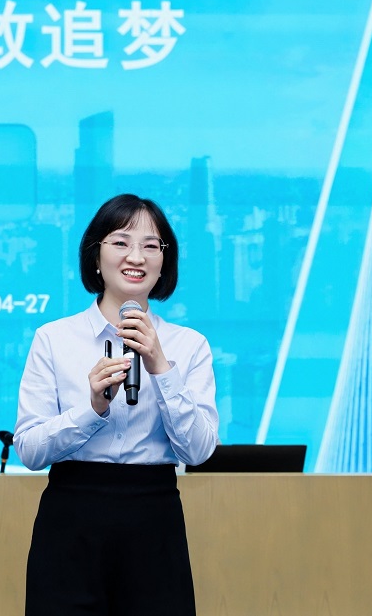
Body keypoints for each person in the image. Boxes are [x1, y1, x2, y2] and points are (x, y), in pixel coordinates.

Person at [14, 193, 219, 615]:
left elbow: (199, 450)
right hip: (71, 519)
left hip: (154, 520)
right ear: (96, 256)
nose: (136, 256)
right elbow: (30, 450)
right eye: (121, 242)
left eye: (150, 245)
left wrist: (161, 366)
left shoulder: (189, 345)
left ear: (163, 262)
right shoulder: (53, 339)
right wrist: (91, 410)